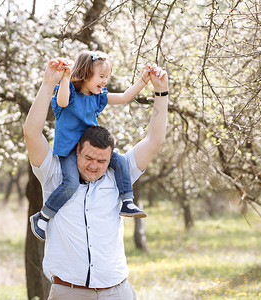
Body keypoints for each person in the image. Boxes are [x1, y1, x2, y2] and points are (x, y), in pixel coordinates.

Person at [23, 56, 169, 299]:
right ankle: (42, 217)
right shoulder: (54, 174)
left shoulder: (118, 175)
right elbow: (31, 133)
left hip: (118, 291)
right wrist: (49, 83)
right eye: (89, 158)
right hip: (69, 292)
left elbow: (155, 140)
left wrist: (161, 93)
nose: (94, 166)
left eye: (102, 161)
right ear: (77, 149)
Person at [30, 51, 152, 242]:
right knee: (70, 183)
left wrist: (143, 80)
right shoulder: (68, 92)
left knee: (119, 161)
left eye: (107, 77)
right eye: (101, 77)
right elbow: (62, 101)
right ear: (85, 74)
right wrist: (64, 77)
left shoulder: (98, 97)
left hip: (91, 147)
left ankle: (127, 201)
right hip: (70, 150)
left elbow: (124, 97)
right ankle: (43, 216)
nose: (105, 81)